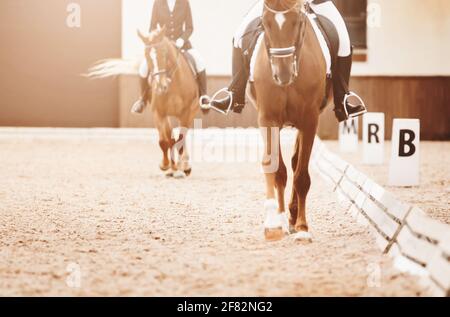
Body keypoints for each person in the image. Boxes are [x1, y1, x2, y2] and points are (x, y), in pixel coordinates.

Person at [209, 0, 367, 122]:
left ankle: (342, 99)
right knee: (239, 36)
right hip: (275, 3)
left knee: (345, 41)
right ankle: (234, 93)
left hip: (316, 2)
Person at [132, 0, 209, 114]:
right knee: (143, 68)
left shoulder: (184, 2)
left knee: (200, 62)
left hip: (181, 44)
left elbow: (189, 27)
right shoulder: (157, 3)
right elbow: (152, 27)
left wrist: (181, 40)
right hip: (162, 46)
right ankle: (142, 100)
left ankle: (203, 97)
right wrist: (158, 38)